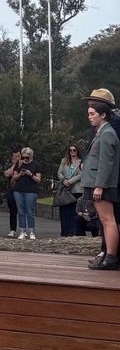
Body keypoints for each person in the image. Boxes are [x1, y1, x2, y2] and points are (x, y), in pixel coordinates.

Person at [83, 91, 119, 270]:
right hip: (98, 183)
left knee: (108, 219)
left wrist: (99, 186)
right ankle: (107, 254)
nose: (89, 117)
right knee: (104, 220)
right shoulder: (101, 132)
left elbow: (106, 163)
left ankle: (111, 256)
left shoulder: (107, 133)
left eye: (92, 113)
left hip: (104, 184)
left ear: (103, 114)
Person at [10, 147, 42, 240]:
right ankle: (22, 231)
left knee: (30, 211)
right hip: (18, 190)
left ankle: (31, 231)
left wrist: (30, 174)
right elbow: (14, 177)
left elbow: (38, 180)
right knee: (21, 211)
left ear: (31, 156)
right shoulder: (19, 164)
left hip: (31, 191)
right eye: (23, 157)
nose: (25, 159)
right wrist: (20, 174)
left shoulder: (36, 165)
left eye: (27, 157)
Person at [56, 144, 84, 237]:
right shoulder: (64, 161)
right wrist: (64, 180)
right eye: (70, 150)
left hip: (76, 190)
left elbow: (81, 174)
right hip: (65, 190)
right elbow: (59, 173)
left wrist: (70, 181)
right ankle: (64, 233)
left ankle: (73, 233)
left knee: (73, 213)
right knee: (64, 212)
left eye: (74, 150)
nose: (72, 152)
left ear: (77, 151)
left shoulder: (81, 162)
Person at [1, 148, 22, 237]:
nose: (17, 158)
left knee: (22, 211)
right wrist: (14, 165)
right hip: (12, 190)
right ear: (12, 157)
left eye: (18, 156)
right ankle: (12, 229)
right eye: (15, 157)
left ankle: (23, 230)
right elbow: (6, 174)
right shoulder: (10, 165)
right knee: (13, 211)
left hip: (22, 189)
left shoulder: (24, 164)